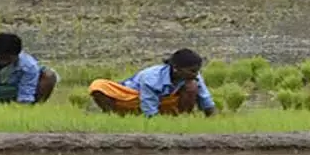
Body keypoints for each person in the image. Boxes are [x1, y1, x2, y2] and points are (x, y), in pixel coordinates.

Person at [88, 48, 217, 117]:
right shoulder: (151, 77)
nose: (195, 74)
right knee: (98, 86)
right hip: (133, 97)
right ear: (176, 68)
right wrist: (154, 123)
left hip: (165, 102)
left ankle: (181, 118)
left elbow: (206, 101)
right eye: (192, 71)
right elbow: (149, 108)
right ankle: (112, 116)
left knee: (192, 87)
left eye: (197, 71)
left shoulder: (193, 78)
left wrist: (213, 120)